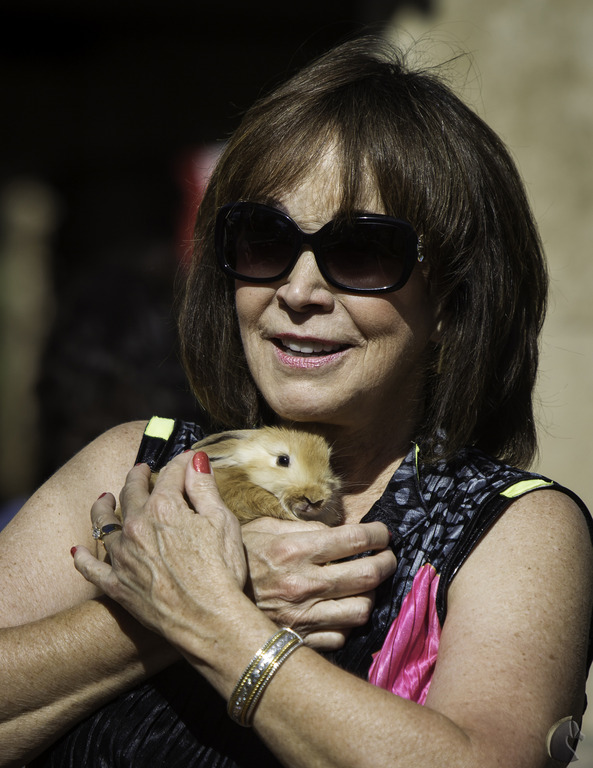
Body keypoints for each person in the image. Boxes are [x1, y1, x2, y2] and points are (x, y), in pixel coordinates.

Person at [1, 36, 591, 768]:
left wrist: (221, 623)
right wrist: (160, 610)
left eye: (361, 251)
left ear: (450, 298)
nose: (298, 290)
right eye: (262, 239)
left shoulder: (511, 528)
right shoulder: (136, 462)